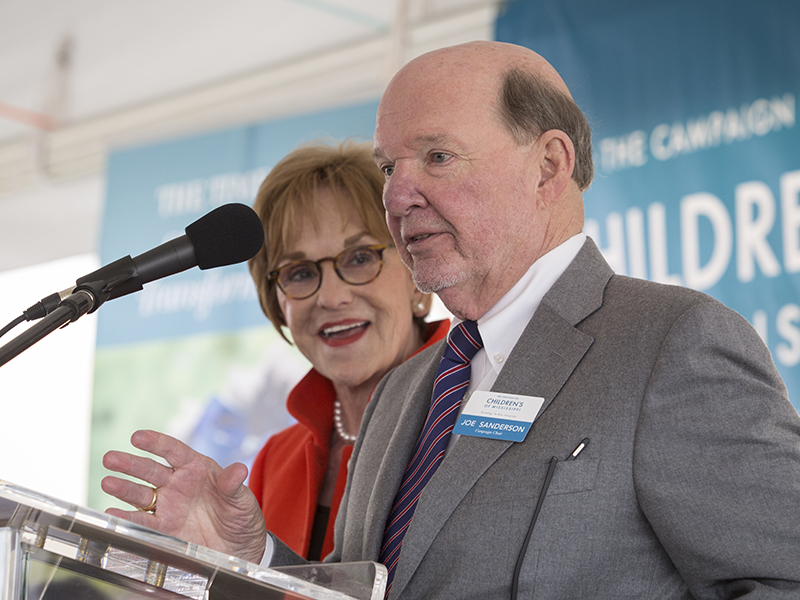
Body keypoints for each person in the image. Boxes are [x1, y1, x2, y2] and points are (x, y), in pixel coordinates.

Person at [102, 41, 800, 599]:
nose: (398, 196)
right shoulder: (407, 391)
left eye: (437, 157)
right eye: (388, 168)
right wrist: (249, 555)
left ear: (548, 167)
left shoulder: (671, 344)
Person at [101, 141, 449, 561]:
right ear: (277, 304)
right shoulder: (275, 459)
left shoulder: (466, 421)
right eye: (300, 272)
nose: (332, 297)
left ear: (417, 274)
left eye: (359, 258)